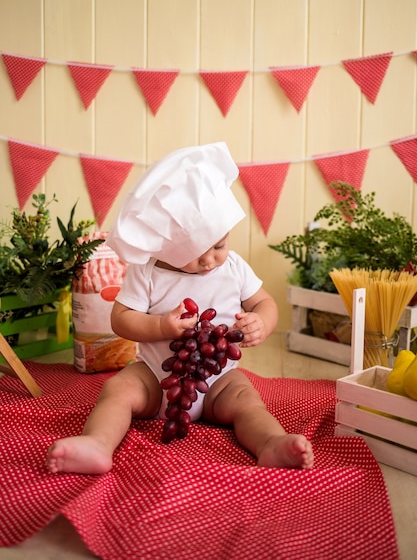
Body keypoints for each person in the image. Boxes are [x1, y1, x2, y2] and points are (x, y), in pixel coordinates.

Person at [46, 142, 313, 474]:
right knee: (117, 390)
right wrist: (160, 327)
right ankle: (98, 444)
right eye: (194, 251)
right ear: (166, 246)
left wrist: (262, 320)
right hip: (155, 380)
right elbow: (121, 319)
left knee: (247, 400)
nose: (209, 259)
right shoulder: (148, 272)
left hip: (218, 381)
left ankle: (271, 443)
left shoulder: (233, 267)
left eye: (219, 244)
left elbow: (264, 302)